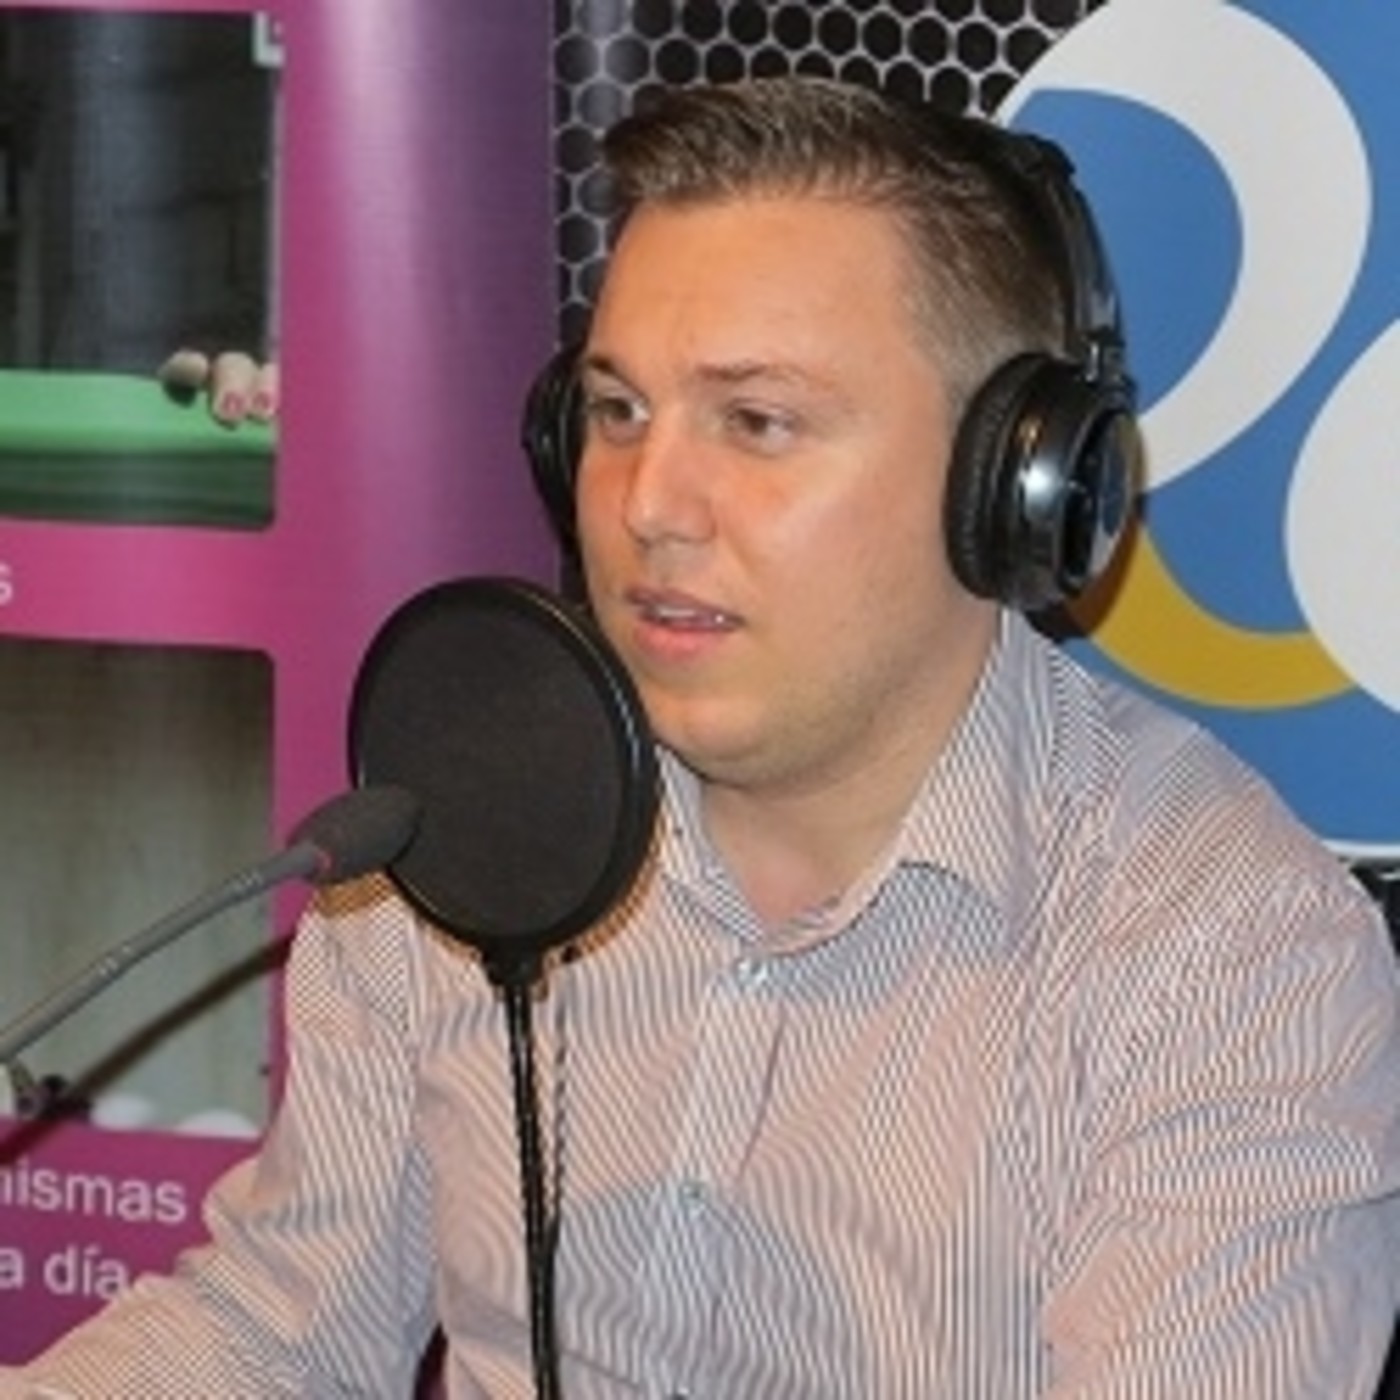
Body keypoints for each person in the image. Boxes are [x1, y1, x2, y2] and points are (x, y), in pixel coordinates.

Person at [8, 76, 1400, 1398]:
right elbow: (272, 1330)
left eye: (758, 422)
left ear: (1013, 485)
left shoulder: (1223, 955)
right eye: (617, 411)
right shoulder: (467, 805)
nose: (648, 504)